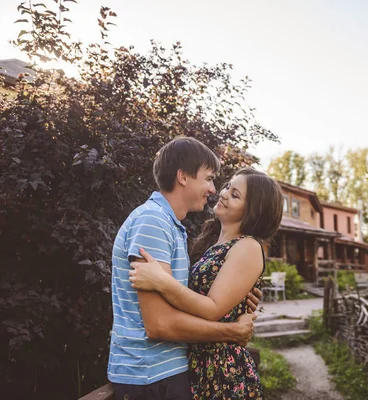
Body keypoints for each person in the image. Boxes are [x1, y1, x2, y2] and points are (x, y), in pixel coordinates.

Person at [108, 137, 262, 400]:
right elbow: (159, 324)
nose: (214, 189)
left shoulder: (170, 226)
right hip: (151, 376)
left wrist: (238, 301)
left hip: (163, 372)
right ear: (183, 177)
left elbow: (183, 301)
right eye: (209, 179)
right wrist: (231, 331)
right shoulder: (153, 222)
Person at [129, 167, 284, 399]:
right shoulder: (212, 245)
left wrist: (161, 281)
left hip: (222, 371)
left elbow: (212, 309)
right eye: (227, 187)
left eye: (235, 195)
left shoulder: (248, 247)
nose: (222, 193)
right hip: (197, 362)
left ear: (253, 211)